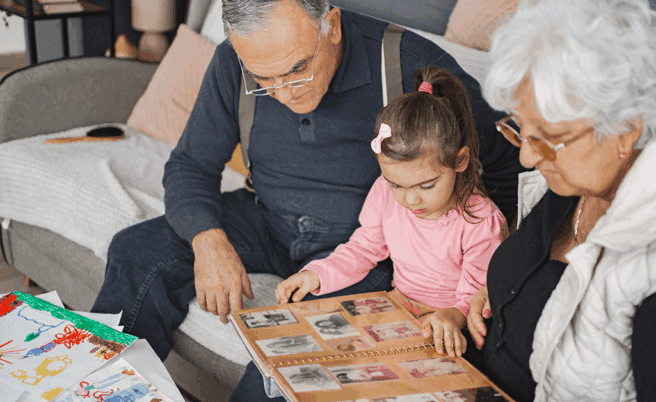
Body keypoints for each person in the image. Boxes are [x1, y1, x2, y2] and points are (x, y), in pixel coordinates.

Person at [90, 0, 526, 400]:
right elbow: (189, 166)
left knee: (287, 358)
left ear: (331, 24)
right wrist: (208, 240)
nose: (284, 93)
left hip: (365, 252)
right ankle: (98, 389)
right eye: (264, 80)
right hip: (265, 218)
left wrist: (482, 277)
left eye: (297, 68)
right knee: (136, 250)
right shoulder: (234, 61)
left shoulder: (410, 65)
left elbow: (508, 165)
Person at [463, 0, 656, 401]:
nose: (526, 156)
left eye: (545, 137)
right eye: (521, 129)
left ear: (625, 127)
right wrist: (499, 294)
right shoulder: (591, 167)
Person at [276, 66, 508, 357]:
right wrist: (317, 274)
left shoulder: (481, 221)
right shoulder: (384, 192)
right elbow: (363, 249)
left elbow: (478, 292)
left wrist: (452, 315)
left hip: (448, 325)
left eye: (427, 185)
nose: (410, 199)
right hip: (398, 306)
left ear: (460, 160)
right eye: (396, 184)